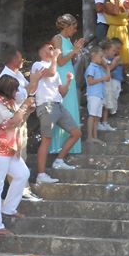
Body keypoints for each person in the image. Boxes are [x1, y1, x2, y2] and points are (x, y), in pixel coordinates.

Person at [0, 74, 33, 235]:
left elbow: (18, 120)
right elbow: (10, 122)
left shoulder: (7, 101)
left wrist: (27, 111)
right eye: (15, 89)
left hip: (10, 149)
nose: (17, 92)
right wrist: (25, 106)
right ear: (8, 89)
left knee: (23, 174)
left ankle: (9, 208)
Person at [31, 42, 82, 182]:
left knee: (76, 133)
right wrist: (55, 58)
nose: (53, 50)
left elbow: (62, 92)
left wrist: (68, 81)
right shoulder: (37, 65)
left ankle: (59, 160)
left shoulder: (55, 67)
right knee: (46, 139)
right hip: (46, 105)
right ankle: (41, 174)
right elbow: (51, 73)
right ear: (41, 51)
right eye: (50, 48)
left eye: (53, 48)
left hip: (58, 105)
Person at [0, 47, 42, 203]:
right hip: (13, 122)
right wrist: (35, 81)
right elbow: (22, 96)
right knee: (18, 156)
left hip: (21, 119)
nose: (23, 60)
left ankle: (23, 189)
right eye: (21, 58)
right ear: (14, 60)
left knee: (22, 153)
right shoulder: (6, 77)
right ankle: (20, 190)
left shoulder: (17, 74)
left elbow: (28, 89)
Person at [50, 14, 84, 157]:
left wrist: (76, 52)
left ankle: (71, 146)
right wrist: (74, 51)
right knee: (64, 108)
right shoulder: (57, 39)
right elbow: (60, 61)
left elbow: (70, 60)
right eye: (74, 27)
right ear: (67, 26)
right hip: (61, 77)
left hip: (69, 75)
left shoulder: (68, 40)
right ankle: (58, 146)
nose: (75, 30)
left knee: (71, 109)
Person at [103, 0, 129, 66]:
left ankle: (125, 76)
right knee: (113, 54)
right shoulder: (108, 3)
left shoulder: (122, 1)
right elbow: (115, 12)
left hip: (124, 30)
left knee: (125, 54)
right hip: (114, 31)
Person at [85, 45, 111, 145]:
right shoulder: (91, 68)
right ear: (93, 56)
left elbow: (108, 78)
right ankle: (89, 137)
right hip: (93, 95)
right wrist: (101, 79)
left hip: (100, 95)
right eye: (100, 56)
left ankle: (95, 137)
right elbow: (90, 81)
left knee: (97, 118)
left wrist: (107, 66)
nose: (102, 59)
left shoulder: (99, 68)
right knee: (92, 115)